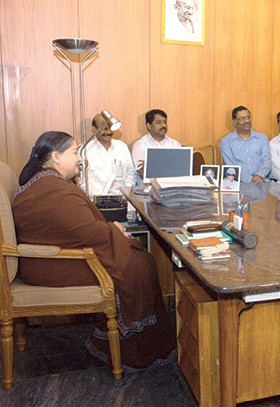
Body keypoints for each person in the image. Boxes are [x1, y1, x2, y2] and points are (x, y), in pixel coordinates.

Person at [12, 131, 176, 371]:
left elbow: (74, 228)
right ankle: (134, 347)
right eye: (75, 152)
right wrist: (113, 230)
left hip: (45, 259)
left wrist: (110, 229)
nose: (80, 158)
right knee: (139, 263)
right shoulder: (51, 188)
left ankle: (117, 335)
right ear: (56, 157)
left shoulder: (45, 182)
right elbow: (85, 232)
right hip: (50, 264)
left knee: (138, 258)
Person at [82, 113, 136, 197]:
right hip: (95, 201)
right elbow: (83, 181)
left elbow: (130, 173)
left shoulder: (122, 147)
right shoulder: (86, 150)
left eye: (111, 128)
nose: (109, 132)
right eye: (104, 129)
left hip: (121, 199)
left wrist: (125, 193)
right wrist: (100, 197)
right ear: (94, 129)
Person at [220, 106, 271, 183]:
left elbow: (267, 162)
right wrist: (250, 180)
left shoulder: (262, 138)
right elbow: (231, 167)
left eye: (248, 117)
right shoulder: (226, 142)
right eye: (241, 118)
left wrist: (259, 176)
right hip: (239, 184)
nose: (246, 121)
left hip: (261, 181)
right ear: (234, 122)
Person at [131, 109, 181, 178]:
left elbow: (180, 171)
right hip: (148, 187)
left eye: (165, 122)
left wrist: (152, 167)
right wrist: (168, 167)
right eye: (158, 122)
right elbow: (142, 174)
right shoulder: (140, 145)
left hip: (171, 185)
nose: (163, 125)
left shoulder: (175, 144)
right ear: (149, 126)